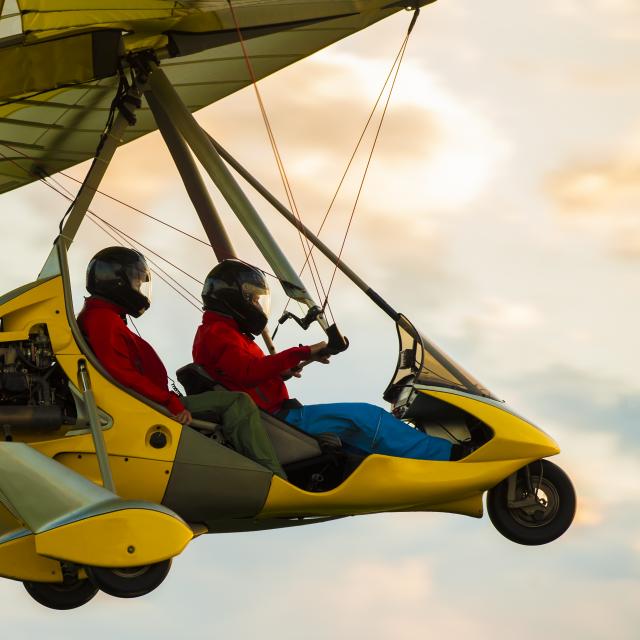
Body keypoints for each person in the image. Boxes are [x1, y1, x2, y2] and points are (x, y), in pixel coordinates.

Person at [192, 259, 454, 462]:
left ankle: (427, 460)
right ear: (234, 296)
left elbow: (240, 376)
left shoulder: (226, 333)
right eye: (253, 298)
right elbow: (247, 372)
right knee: (365, 417)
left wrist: (283, 369)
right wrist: (303, 352)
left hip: (276, 416)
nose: (257, 306)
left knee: (360, 446)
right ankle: (448, 455)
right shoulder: (218, 334)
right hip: (278, 420)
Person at [76, 247, 286, 478]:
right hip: (149, 404)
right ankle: (274, 476)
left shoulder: (101, 316)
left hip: (149, 400)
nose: (138, 287)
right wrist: (170, 401)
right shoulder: (103, 320)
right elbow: (122, 373)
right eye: (136, 280)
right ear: (118, 281)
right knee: (237, 402)